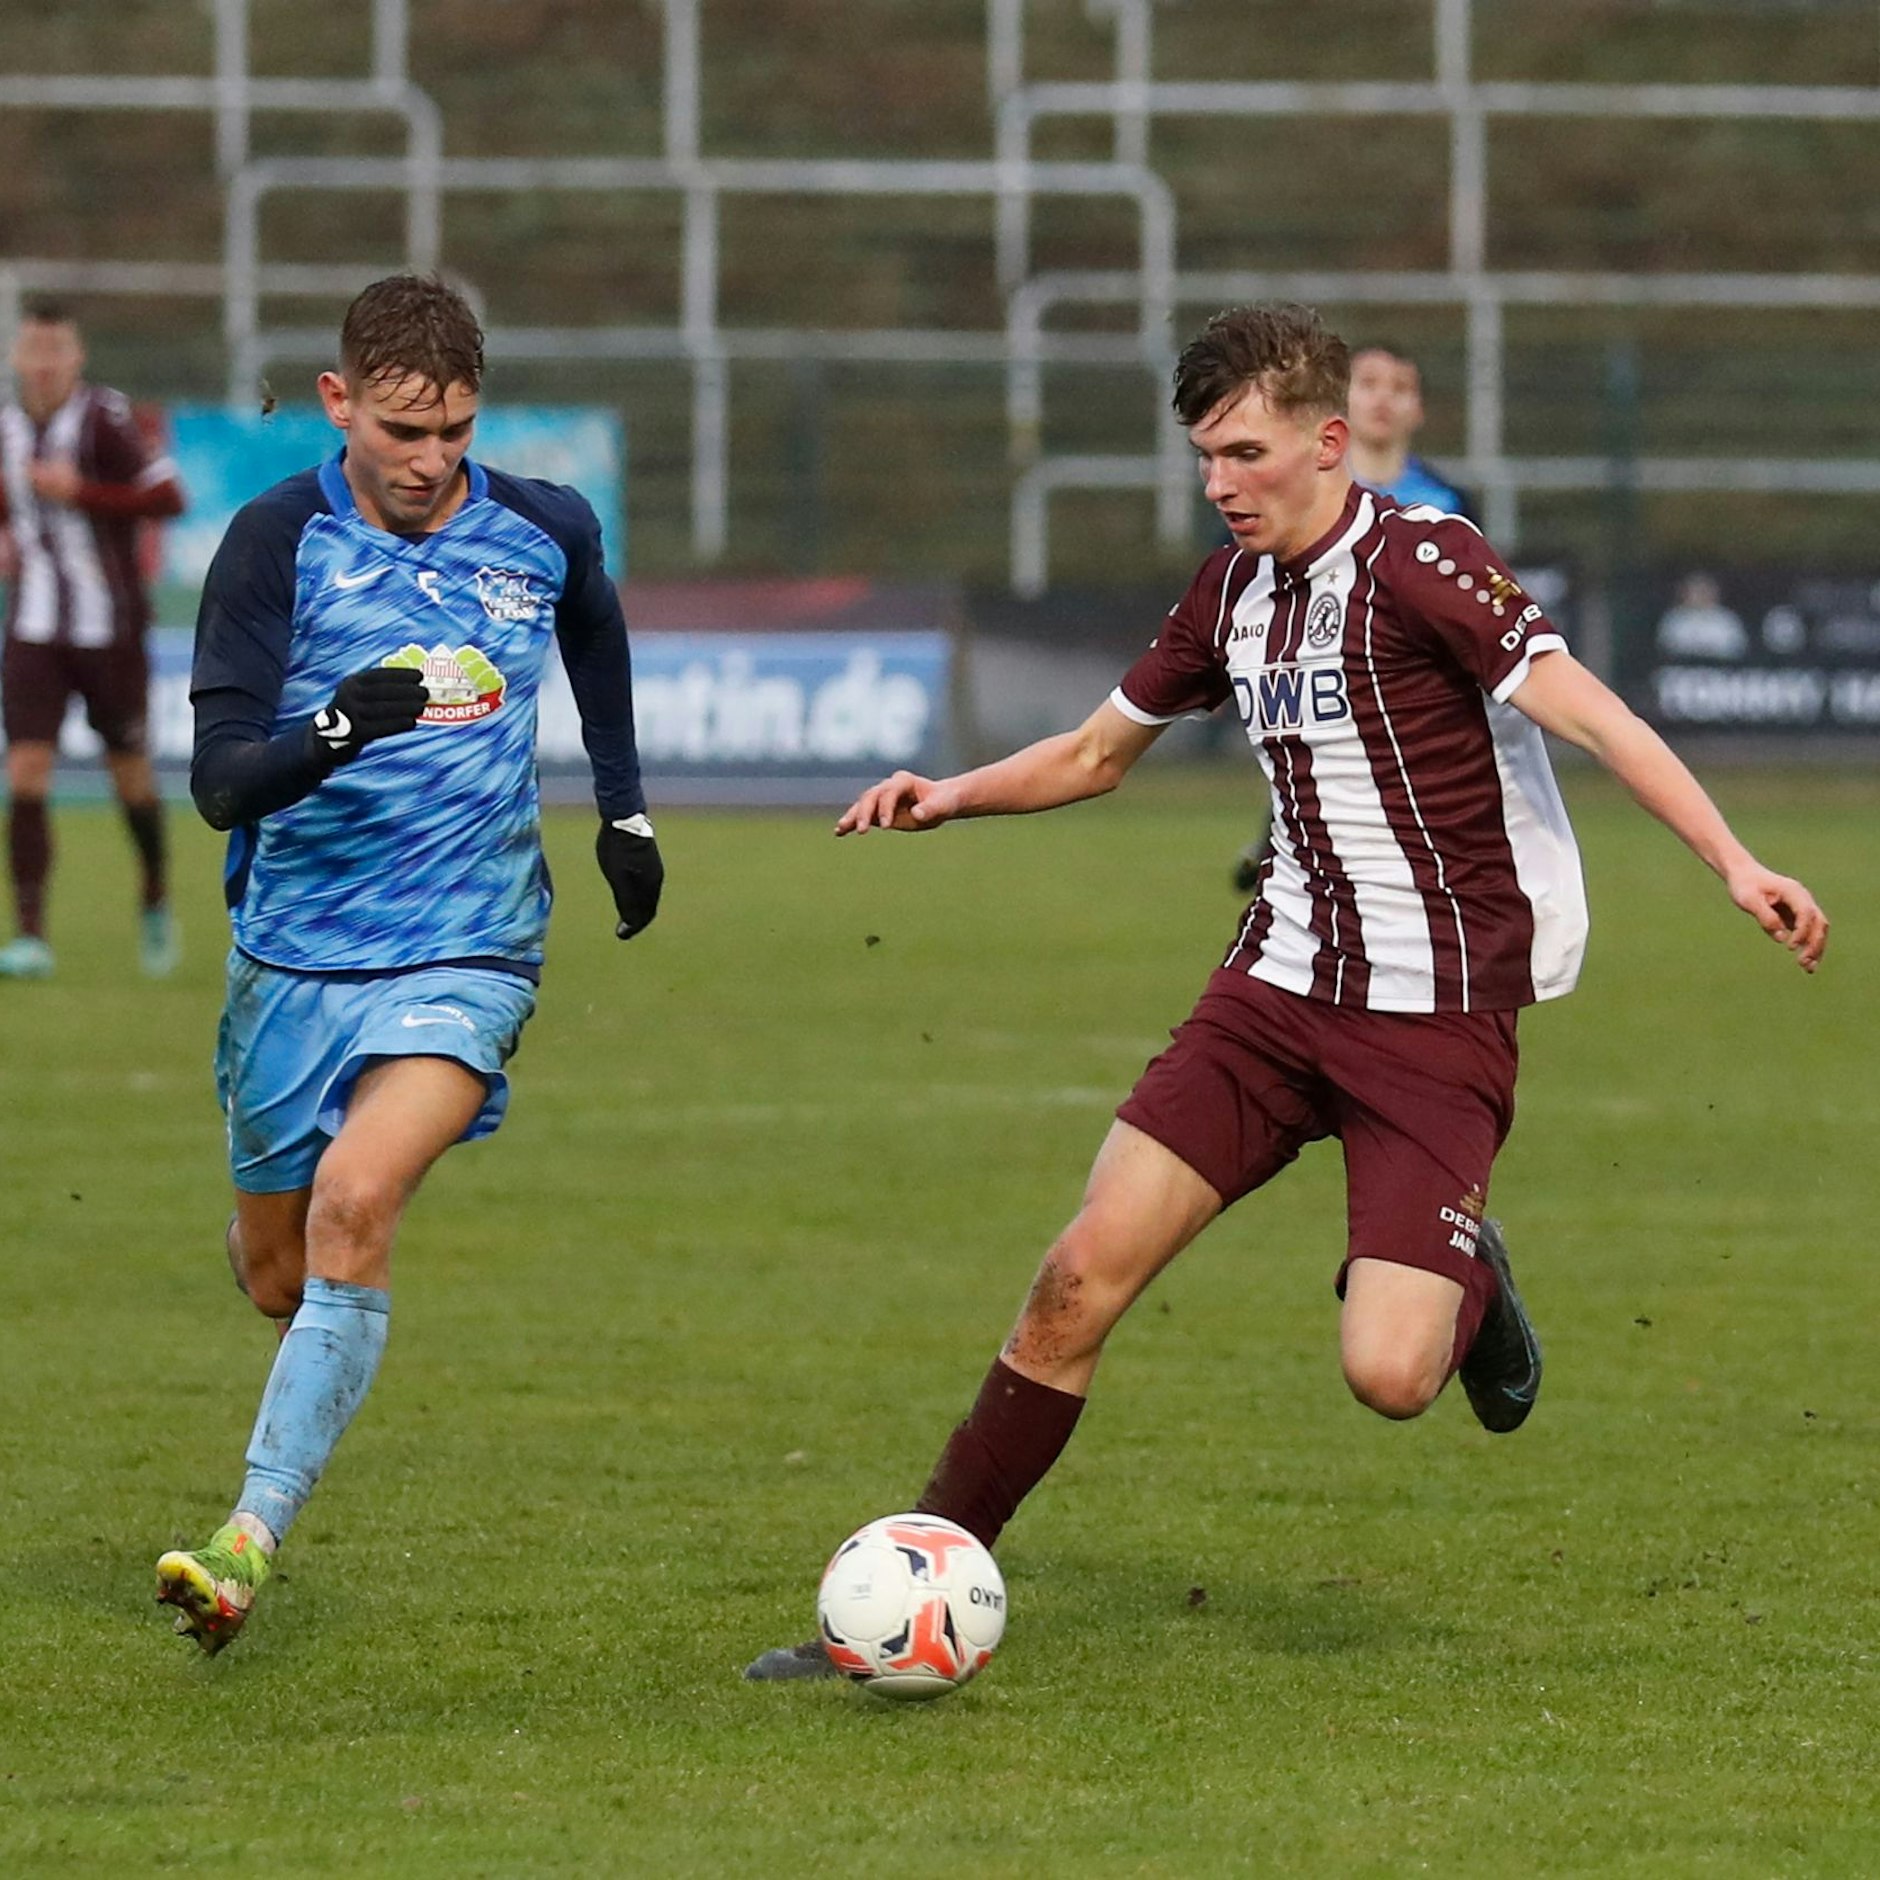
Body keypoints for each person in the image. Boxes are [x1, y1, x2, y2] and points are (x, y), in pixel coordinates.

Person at [745, 301, 1828, 1682]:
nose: (1220, 484)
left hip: (1433, 1021)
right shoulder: (1227, 594)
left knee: (1389, 1378)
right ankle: (913, 1592)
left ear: (1329, 443)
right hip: (1273, 992)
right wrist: (944, 797)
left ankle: (1469, 1293)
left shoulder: (1430, 562)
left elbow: (1596, 713)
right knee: (1077, 1279)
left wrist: (1735, 862)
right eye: (1204, 458)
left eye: (1244, 454)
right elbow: (1092, 755)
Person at [155, 274, 665, 1654]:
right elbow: (218, 786)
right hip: (293, 959)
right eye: (401, 431)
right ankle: (300, 1310)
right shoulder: (271, 544)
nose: (432, 462)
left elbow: (594, 631)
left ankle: (243, 1542)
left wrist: (623, 809)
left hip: (472, 944)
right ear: (337, 403)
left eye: (454, 431)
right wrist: (337, 724)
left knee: (359, 1204)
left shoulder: (542, 527)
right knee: (279, 1270)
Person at [1230, 339, 1471, 892]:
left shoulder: (1448, 502)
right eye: (1369, 384)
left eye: (1400, 388)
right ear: (1341, 401)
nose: (1383, 400)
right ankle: (1289, 843)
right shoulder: (1298, 492)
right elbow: (1246, 574)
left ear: (1419, 410)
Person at [0, 300, 187, 978]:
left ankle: (156, 894)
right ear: (19, 359)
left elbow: (169, 498)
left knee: (130, 777)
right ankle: (30, 937)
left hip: (109, 627)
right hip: (34, 626)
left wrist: (81, 492)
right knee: (24, 769)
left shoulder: (106, 419)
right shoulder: (8, 429)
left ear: (74, 360)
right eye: (34, 352)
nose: (44, 365)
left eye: (57, 352)